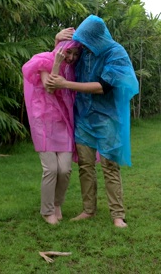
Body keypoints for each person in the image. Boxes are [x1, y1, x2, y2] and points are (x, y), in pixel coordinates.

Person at [47, 15, 139, 228]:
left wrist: (66, 84)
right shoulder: (83, 51)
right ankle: (89, 210)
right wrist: (56, 39)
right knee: (86, 165)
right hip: (84, 116)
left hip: (108, 117)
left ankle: (117, 214)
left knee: (109, 164)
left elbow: (102, 86)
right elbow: (60, 58)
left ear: (97, 37)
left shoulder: (115, 53)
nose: (82, 45)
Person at [22, 37, 82, 225]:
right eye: (68, 52)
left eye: (74, 54)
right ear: (60, 49)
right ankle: (47, 211)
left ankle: (57, 204)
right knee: (51, 169)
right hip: (43, 122)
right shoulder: (44, 61)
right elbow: (49, 88)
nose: (71, 57)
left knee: (64, 169)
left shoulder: (71, 70)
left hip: (62, 122)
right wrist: (56, 63)